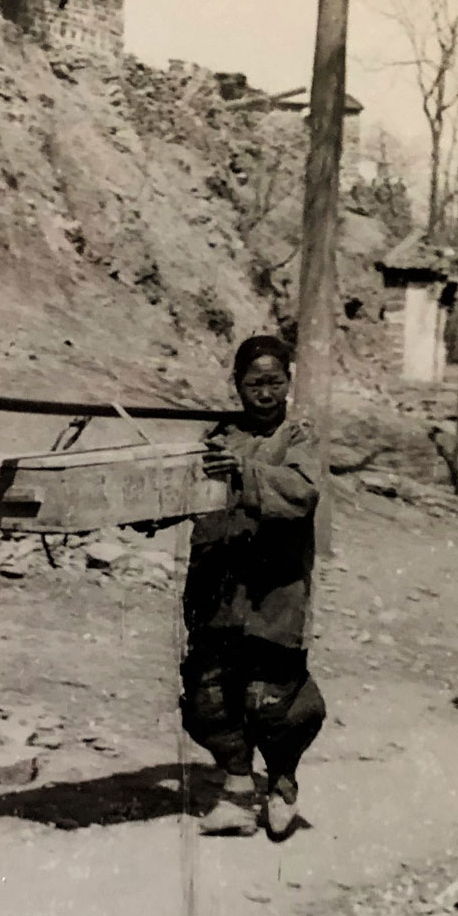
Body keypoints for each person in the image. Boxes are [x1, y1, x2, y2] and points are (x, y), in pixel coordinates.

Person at [181, 335, 325, 840]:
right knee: (209, 693)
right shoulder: (218, 436)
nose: (264, 393)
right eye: (253, 383)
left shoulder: (298, 437)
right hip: (217, 584)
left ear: (288, 383)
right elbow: (184, 489)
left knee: (275, 697)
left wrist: (245, 472)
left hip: (274, 590)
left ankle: (282, 784)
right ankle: (238, 789)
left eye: (275, 382)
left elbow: (302, 492)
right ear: (237, 385)